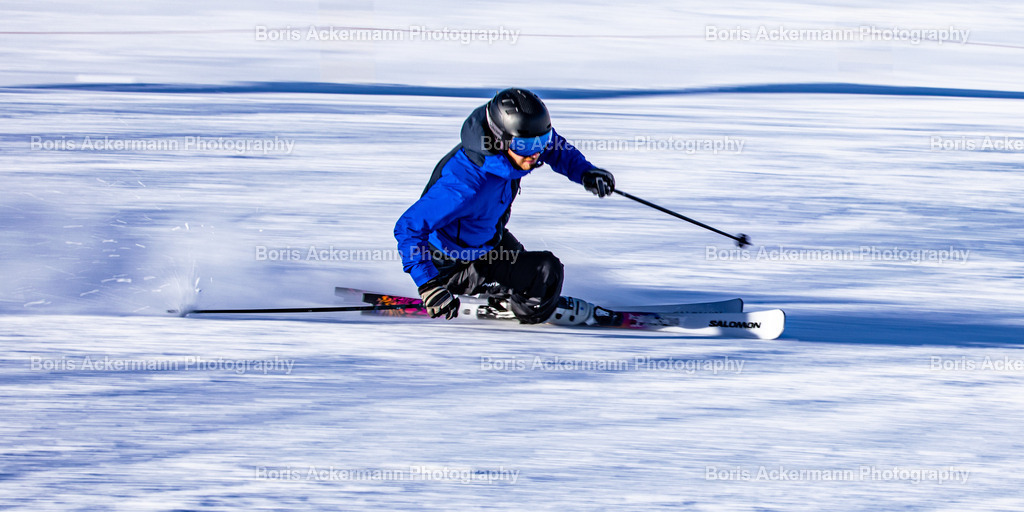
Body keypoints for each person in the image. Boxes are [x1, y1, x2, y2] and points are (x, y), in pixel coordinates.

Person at [394, 88, 615, 324]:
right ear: (500, 139)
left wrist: (586, 172)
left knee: (527, 270)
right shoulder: (463, 185)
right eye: (525, 146)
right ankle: (525, 310)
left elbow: (555, 147)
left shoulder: (514, 148)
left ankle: (511, 292)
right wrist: (429, 284)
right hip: (452, 265)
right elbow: (408, 227)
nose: (535, 154)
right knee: (546, 272)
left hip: (485, 239)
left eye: (541, 141)